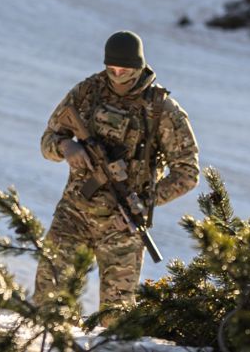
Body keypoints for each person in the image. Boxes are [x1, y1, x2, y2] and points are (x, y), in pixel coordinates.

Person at [33, 30, 199, 314]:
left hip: (123, 225)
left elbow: (187, 172)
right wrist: (65, 147)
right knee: (50, 303)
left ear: (139, 66)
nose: (118, 75)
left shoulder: (162, 110)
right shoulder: (87, 92)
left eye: (125, 70)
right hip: (74, 213)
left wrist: (147, 200)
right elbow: (47, 141)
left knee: (117, 318)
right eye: (112, 69)